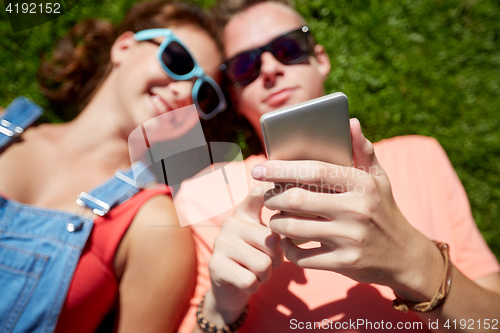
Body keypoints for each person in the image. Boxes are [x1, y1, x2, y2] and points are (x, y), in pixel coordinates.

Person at [175, 0, 500, 332]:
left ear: (321, 59)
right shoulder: (206, 191)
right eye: (246, 66)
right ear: (235, 93)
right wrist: (219, 307)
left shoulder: (421, 156)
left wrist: (413, 262)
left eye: (289, 48)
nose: (271, 68)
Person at [0, 1, 226, 332]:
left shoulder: (153, 226)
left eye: (202, 93)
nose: (184, 91)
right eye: (178, 60)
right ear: (124, 47)